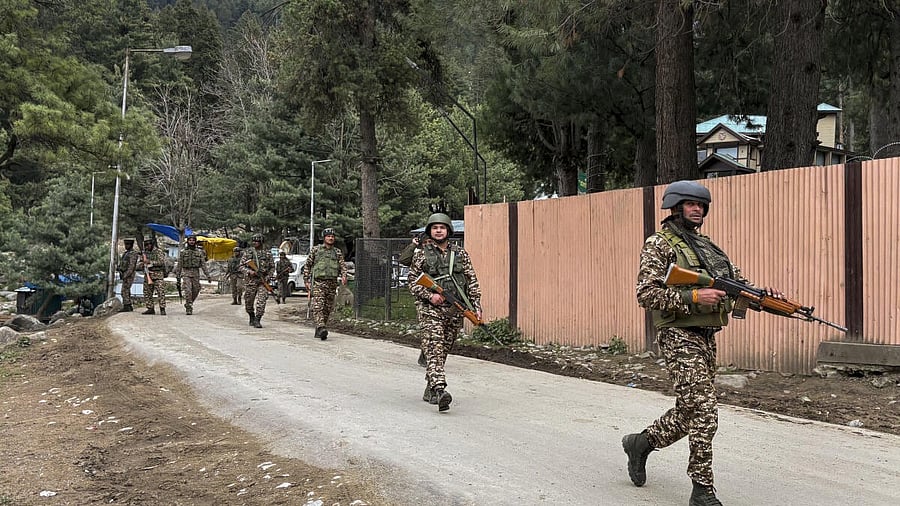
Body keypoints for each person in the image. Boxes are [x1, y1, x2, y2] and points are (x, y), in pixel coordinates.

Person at [622, 180, 782, 506]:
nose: (697, 209)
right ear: (676, 207)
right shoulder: (660, 244)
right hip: (678, 336)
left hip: (706, 337)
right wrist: (695, 295)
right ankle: (702, 490)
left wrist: (765, 297)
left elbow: (739, 285)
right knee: (706, 411)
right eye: (690, 204)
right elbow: (646, 293)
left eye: (701, 205)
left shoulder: (709, 247)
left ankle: (640, 444)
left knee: (690, 412)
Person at [407, 213, 481, 413]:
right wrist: (430, 296)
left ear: (449, 230)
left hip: (454, 309)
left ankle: (430, 386)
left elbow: (471, 280)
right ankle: (440, 390)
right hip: (430, 309)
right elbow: (412, 281)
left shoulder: (460, 254)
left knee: (444, 348)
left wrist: (476, 305)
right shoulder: (421, 253)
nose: (438, 230)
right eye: (434, 227)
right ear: (430, 231)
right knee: (434, 346)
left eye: (442, 227)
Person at [301, 228, 349, 340]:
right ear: (324, 238)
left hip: (332, 283)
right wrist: (306, 280)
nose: (331, 238)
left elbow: (342, 266)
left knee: (327, 308)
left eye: (332, 236)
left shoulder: (337, 252)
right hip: (318, 282)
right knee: (318, 306)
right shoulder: (316, 250)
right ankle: (321, 327)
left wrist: (344, 275)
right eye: (328, 236)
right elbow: (308, 265)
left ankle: (319, 328)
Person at [240, 233, 275, 328]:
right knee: (248, 301)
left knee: (262, 300)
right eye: (254, 241)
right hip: (251, 281)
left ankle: (258, 319)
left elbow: (272, 267)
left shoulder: (267, 253)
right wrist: (249, 272)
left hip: (263, 281)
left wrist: (268, 276)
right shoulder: (248, 253)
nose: (255, 243)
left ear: (261, 242)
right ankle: (251, 315)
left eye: (257, 241)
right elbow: (241, 266)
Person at [174, 234, 212, 315]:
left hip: (195, 273)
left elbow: (203, 264)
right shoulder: (183, 252)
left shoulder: (199, 252)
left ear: (195, 241)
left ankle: (189, 303)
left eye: (193, 240)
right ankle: (189, 307)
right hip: (186, 273)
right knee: (188, 290)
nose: (191, 242)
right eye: (190, 240)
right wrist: (177, 275)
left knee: (196, 289)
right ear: (187, 241)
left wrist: (208, 275)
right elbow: (180, 264)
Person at [139, 238, 168, 315]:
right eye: (145, 246)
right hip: (148, 275)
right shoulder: (145, 253)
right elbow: (140, 263)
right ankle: (150, 308)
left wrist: (150, 262)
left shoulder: (158, 252)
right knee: (147, 292)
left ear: (151, 245)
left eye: (148, 245)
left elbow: (161, 262)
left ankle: (162, 308)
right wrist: (142, 264)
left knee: (161, 292)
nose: (147, 247)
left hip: (158, 275)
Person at [118, 238, 139, 312]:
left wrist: (126, 275)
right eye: (125, 244)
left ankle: (127, 306)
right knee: (126, 290)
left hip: (129, 275)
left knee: (124, 291)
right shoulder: (126, 253)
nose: (126, 246)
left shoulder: (133, 253)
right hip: (125, 273)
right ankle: (128, 305)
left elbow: (131, 266)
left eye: (127, 244)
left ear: (131, 245)